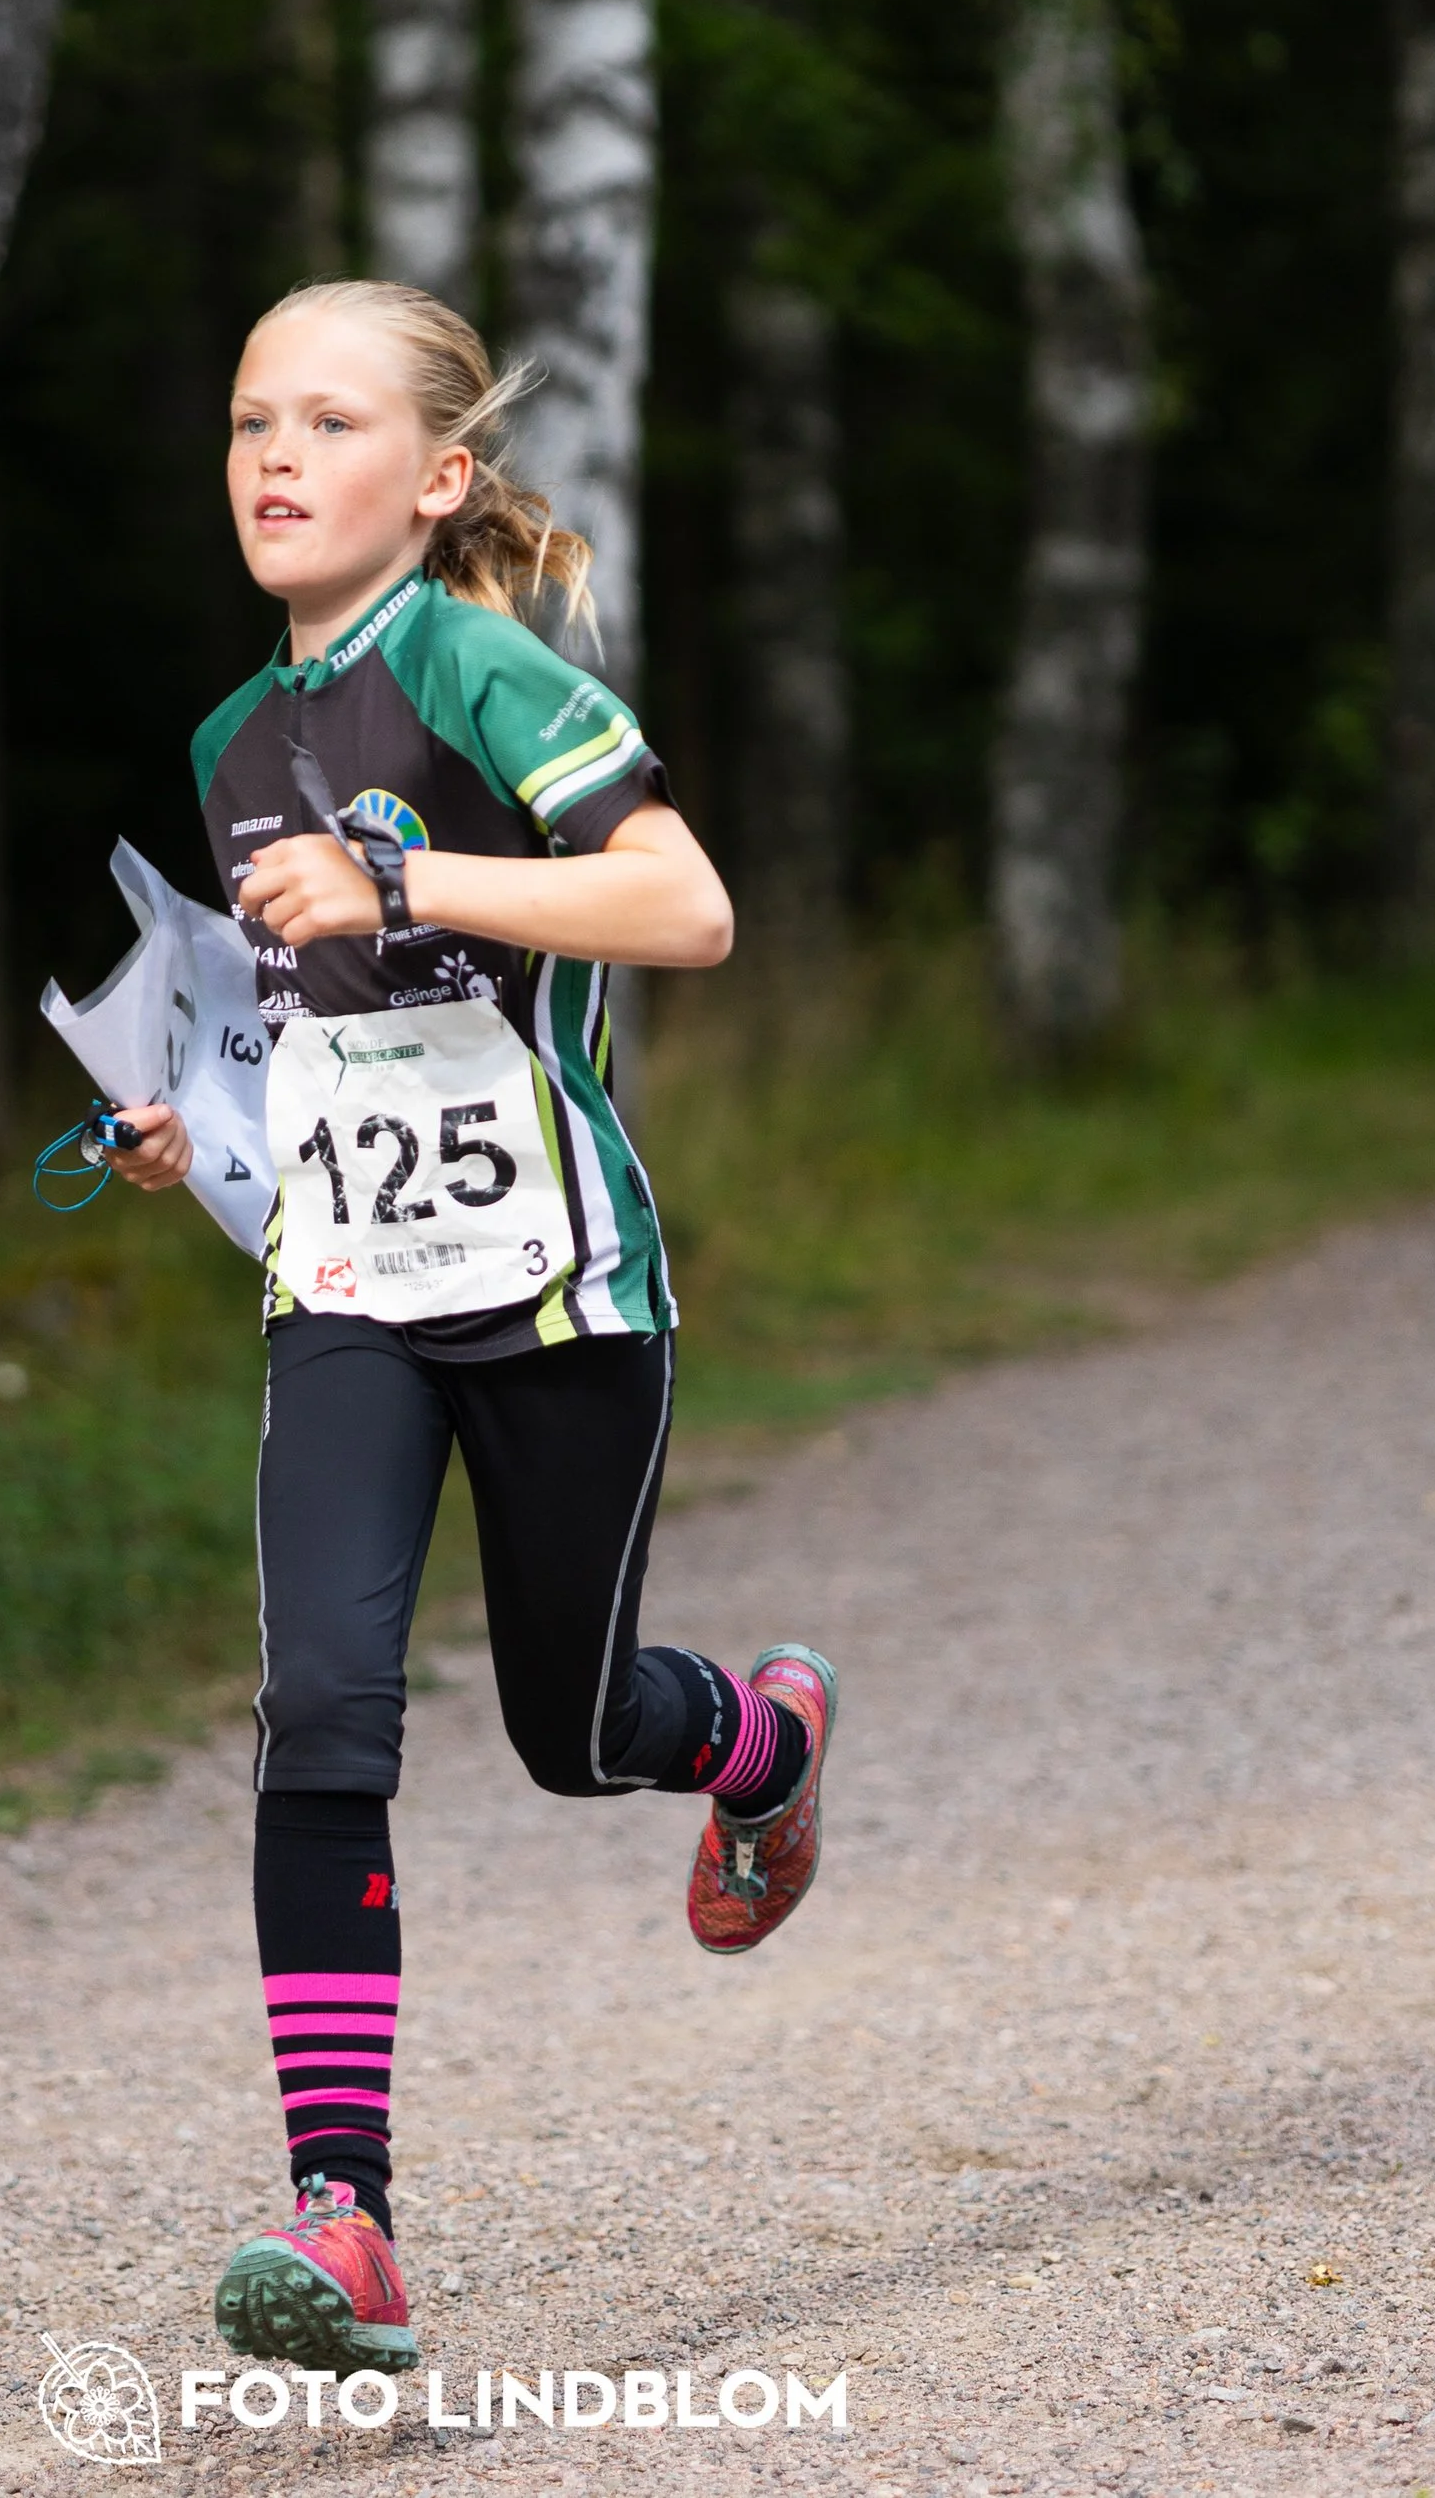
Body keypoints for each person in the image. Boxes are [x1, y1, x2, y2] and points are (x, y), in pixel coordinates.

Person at [102, 278, 836, 2375]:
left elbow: (680, 906)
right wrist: (195, 1132)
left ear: (430, 481)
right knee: (317, 1713)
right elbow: (304, 1033)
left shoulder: (476, 665)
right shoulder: (234, 741)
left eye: (326, 424)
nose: (271, 457)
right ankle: (344, 2222)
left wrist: (406, 887)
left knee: (568, 1719)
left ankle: (757, 1736)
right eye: (248, 418)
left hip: (551, 1295)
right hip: (340, 1295)